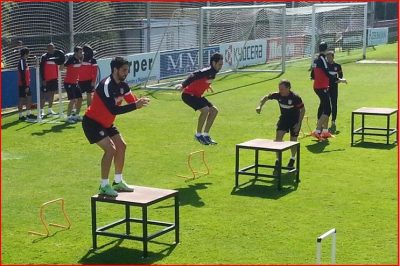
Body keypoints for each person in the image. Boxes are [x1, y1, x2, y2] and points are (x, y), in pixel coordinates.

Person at [82, 57, 150, 197]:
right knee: (110, 149)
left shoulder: (123, 86)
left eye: (128, 70)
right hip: (92, 123)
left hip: (106, 123)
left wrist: (140, 101)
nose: (127, 73)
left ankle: (118, 181)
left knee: (122, 146)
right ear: (115, 70)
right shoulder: (105, 85)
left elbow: (132, 100)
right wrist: (135, 106)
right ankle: (104, 185)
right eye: (124, 70)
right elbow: (113, 110)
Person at [256, 79, 305, 169]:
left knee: (293, 141)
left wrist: (299, 123)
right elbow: (266, 97)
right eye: (279, 88)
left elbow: (303, 110)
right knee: (278, 138)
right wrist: (260, 106)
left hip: (295, 120)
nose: (280, 91)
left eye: (282, 89)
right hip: (284, 119)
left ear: (288, 88)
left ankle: (292, 159)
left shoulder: (295, 98)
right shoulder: (278, 95)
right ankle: (278, 160)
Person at [178, 53, 223, 145]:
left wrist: (206, 86)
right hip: (188, 95)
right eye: (219, 64)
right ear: (214, 63)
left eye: (222, 65)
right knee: (205, 110)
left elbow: (204, 80)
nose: (221, 67)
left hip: (197, 95)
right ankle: (198, 135)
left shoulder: (213, 72)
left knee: (214, 111)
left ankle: (206, 135)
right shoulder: (207, 70)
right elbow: (193, 75)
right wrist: (183, 85)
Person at [310, 42, 337, 140]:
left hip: (320, 86)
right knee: (328, 110)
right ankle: (317, 131)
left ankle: (325, 132)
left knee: (325, 107)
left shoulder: (316, 59)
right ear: (326, 49)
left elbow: (312, 74)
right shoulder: (322, 59)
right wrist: (336, 79)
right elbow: (326, 72)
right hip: (321, 87)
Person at [325, 51, 347, 133]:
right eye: (327, 57)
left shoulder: (337, 66)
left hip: (334, 87)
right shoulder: (325, 66)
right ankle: (324, 120)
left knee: (334, 103)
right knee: (325, 103)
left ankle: (333, 120)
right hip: (326, 87)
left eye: (330, 57)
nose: (328, 59)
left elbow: (341, 75)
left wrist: (339, 80)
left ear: (333, 57)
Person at [39, 43, 60, 117]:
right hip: (46, 79)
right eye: (50, 48)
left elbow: (57, 67)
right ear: (47, 49)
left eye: (53, 48)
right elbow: (41, 69)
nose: (52, 49)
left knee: (52, 94)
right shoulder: (44, 57)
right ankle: (41, 111)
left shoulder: (56, 56)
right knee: (44, 95)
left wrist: (56, 77)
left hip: (54, 79)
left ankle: (50, 110)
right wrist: (43, 79)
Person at [64, 46, 83, 123]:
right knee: (72, 100)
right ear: (75, 52)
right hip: (68, 83)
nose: (81, 54)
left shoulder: (79, 60)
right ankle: (68, 117)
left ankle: (76, 115)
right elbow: (63, 66)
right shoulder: (71, 59)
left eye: (81, 52)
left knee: (80, 99)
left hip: (75, 82)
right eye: (80, 52)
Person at [17, 47, 36, 121]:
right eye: (28, 53)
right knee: (22, 99)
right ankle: (21, 116)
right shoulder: (22, 62)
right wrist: (26, 86)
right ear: (25, 54)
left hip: (26, 84)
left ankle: (28, 113)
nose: (29, 54)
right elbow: (22, 74)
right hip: (23, 85)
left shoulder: (25, 61)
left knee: (29, 98)